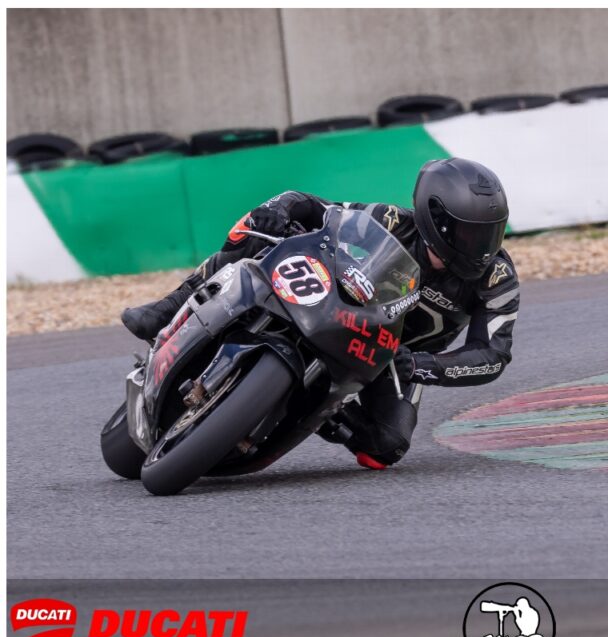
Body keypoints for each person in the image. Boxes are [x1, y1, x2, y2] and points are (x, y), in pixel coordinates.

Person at [121, 158, 519, 470]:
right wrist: (282, 207)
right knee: (260, 229)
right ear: (435, 221)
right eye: (470, 234)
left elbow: (492, 355)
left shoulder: (497, 278)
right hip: (337, 307)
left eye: (492, 234)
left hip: (395, 357)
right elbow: (319, 210)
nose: (483, 248)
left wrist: (421, 365)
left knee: (385, 446)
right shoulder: (394, 222)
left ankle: (323, 411)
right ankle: (171, 306)